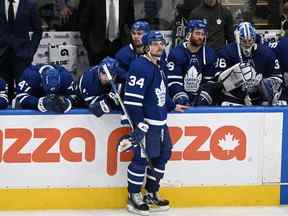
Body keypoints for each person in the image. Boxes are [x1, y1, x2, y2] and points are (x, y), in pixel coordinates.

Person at [119, 31, 187, 215]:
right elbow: (132, 101)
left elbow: (160, 92)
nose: (160, 47)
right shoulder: (140, 66)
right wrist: (139, 124)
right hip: (147, 124)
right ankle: (134, 196)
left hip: (161, 123)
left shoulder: (159, 65)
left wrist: (172, 105)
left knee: (162, 156)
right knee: (141, 160)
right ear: (147, 46)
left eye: (162, 43)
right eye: (155, 44)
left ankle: (151, 192)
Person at [216, 22, 283, 106]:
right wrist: (234, 76)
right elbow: (218, 82)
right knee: (226, 104)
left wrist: (264, 86)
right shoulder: (226, 52)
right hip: (233, 97)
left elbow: (278, 78)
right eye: (244, 41)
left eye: (250, 40)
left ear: (254, 38)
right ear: (238, 39)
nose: (247, 44)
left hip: (258, 98)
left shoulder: (267, 53)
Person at [167, 19, 218, 106]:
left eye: (203, 34)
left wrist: (203, 97)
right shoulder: (176, 53)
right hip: (181, 101)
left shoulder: (209, 54)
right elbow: (173, 81)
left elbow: (210, 82)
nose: (200, 37)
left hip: (200, 98)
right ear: (188, 34)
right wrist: (181, 97)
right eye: (197, 33)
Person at [0, 0, 43, 100]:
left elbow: (38, 30)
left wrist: (31, 51)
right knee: (2, 95)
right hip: (1, 55)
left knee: (25, 93)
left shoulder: (30, 4)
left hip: (22, 54)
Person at [79, 0, 135, 66]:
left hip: (119, 46)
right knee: (99, 75)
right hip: (97, 48)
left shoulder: (126, 1)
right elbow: (84, 24)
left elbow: (131, 23)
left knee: (118, 74)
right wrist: (89, 46)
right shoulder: (92, 1)